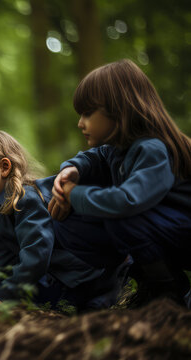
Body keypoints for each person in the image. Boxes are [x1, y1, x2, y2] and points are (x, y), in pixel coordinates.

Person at [49, 59, 191, 307]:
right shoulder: (117, 149)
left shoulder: (152, 148)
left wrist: (75, 194)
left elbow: (128, 201)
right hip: (159, 230)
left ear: (119, 109)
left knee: (121, 214)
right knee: (64, 219)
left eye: (87, 113)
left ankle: (167, 290)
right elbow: (96, 157)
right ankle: (137, 275)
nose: (80, 123)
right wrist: (72, 169)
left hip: (183, 234)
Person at [0, 131, 126, 312]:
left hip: (82, 276)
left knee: (63, 309)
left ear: (4, 167)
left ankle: (109, 291)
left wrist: (1, 295)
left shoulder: (25, 199)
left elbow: (36, 255)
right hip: (55, 276)